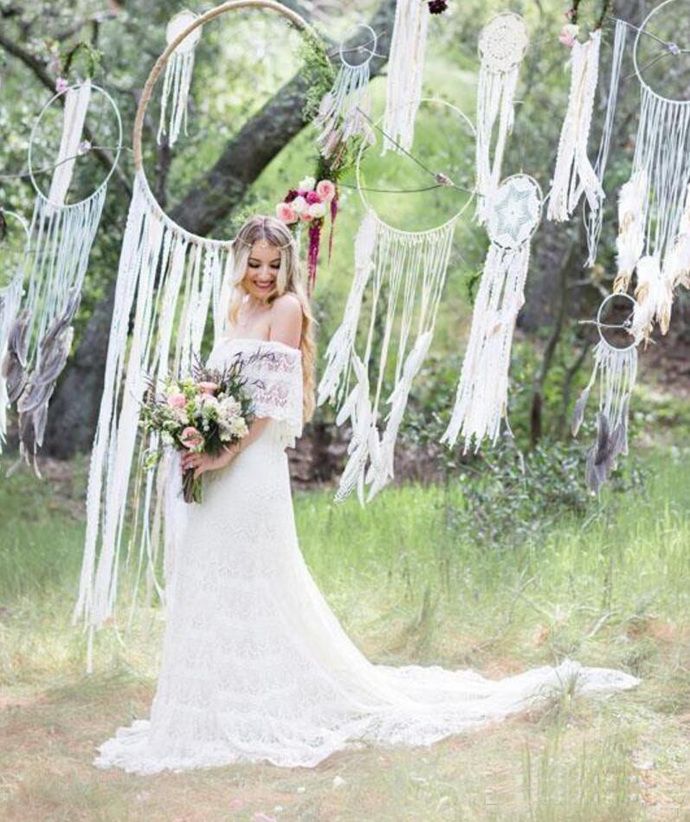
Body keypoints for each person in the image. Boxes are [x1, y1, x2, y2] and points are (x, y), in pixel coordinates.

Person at [93, 215, 640, 774]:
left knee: (255, 573)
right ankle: (217, 695)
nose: (263, 274)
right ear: (240, 263)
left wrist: (225, 452)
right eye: (254, 264)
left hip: (249, 465)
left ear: (287, 268)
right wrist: (195, 426)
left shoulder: (285, 310)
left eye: (274, 265)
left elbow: (268, 399)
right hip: (219, 464)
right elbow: (223, 388)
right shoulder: (239, 310)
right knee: (214, 572)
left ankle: (267, 697)